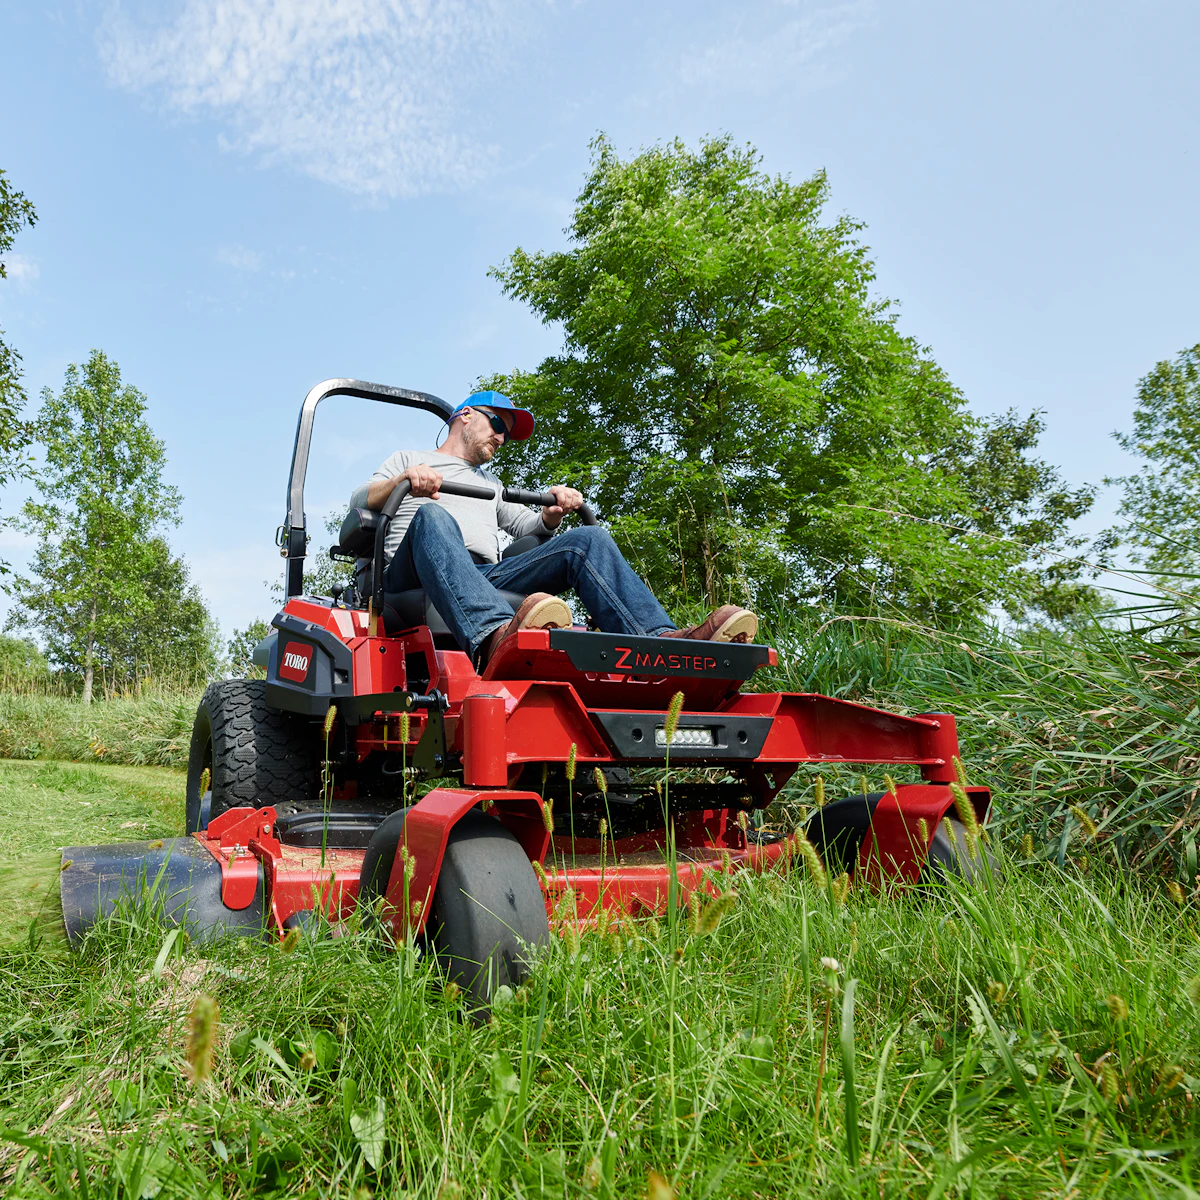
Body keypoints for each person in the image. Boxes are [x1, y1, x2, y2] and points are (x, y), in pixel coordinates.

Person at [350, 390, 758, 667]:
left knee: (588, 539)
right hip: (411, 574)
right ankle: (495, 637)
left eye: (506, 434)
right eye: (496, 424)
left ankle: (660, 645)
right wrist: (406, 479)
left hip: (483, 575)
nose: (501, 437)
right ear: (465, 415)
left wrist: (552, 512)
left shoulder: (491, 486)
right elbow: (359, 501)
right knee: (434, 516)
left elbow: (529, 527)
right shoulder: (410, 457)